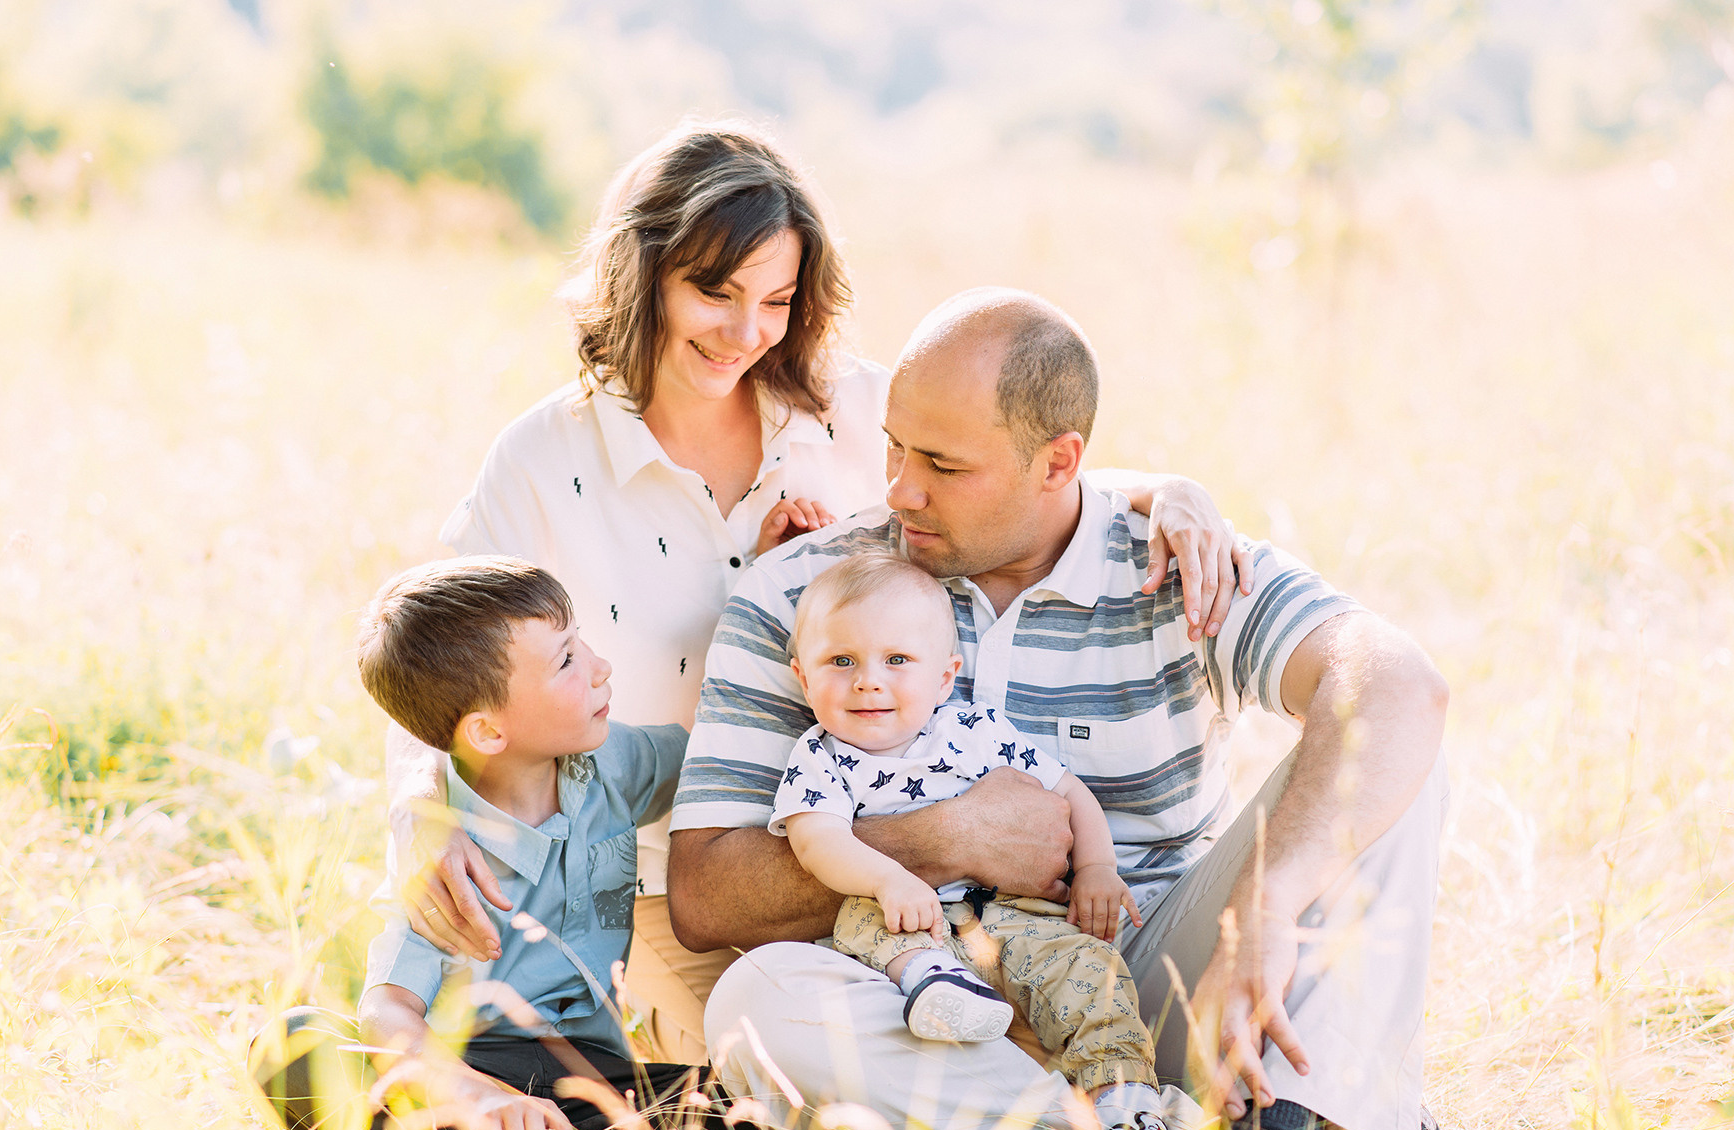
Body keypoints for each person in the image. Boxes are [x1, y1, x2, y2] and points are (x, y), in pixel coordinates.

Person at [389, 120, 1259, 1065]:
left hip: (900, 841)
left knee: (978, 1030)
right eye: (714, 292)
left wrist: (1163, 491)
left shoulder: (851, 408)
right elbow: (444, 660)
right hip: (681, 885)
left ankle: (1126, 1116)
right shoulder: (543, 462)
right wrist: (423, 810)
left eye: (777, 300)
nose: (747, 334)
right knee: (785, 1053)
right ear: (642, 275)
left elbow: (1014, 474)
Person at [668, 288, 1452, 1130]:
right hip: (922, 1001)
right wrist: (946, 836)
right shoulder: (807, 594)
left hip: (1151, 977)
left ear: (1060, 462)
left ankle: (1289, 1127)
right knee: (757, 1002)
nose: (901, 489)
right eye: (895, 447)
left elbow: (1396, 680)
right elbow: (705, 894)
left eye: (943, 464)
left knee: (1389, 750)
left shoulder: (1181, 564)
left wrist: (1270, 903)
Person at [770, 553, 1173, 1130]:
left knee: (1090, 969)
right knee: (858, 921)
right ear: (804, 678)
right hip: (907, 921)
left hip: (1014, 914)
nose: (868, 681)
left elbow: (1069, 792)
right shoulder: (820, 756)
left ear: (944, 677)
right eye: (841, 661)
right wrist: (888, 879)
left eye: (896, 660)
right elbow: (816, 840)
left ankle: (1125, 1105)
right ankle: (935, 985)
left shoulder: (974, 730)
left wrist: (1096, 869)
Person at [354, 556, 696, 1130]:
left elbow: (712, 757)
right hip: (474, 1063)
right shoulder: (443, 859)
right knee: (296, 1047)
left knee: (733, 1107)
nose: (600, 666)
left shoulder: (611, 763)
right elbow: (387, 1011)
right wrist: (477, 1096)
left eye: (579, 641)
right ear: (487, 731)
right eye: (566, 661)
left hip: (592, 1073)